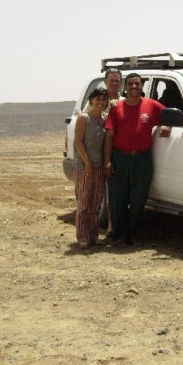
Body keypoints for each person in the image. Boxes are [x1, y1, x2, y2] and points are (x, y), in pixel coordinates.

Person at [103, 73, 171, 247]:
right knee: (118, 199)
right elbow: (109, 136)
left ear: (142, 86)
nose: (134, 87)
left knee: (138, 198)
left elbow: (169, 116)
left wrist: (166, 125)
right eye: (131, 84)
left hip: (142, 159)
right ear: (125, 87)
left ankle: (132, 235)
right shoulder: (117, 108)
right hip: (120, 158)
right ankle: (119, 236)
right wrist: (107, 161)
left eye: (137, 84)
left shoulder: (151, 105)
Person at [73, 88, 109, 249]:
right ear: (91, 100)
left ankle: (93, 235)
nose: (100, 102)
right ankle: (82, 236)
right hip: (84, 166)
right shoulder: (84, 118)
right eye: (98, 99)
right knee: (84, 203)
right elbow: (78, 142)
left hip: (99, 166)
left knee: (96, 203)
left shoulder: (105, 119)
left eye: (103, 99)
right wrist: (86, 162)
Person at [102, 68, 122, 238]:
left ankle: (114, 223)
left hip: (118, 150)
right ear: (105, 81)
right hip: (98, 149)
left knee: (114, 189)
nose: (114, 83)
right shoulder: (99, 99)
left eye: (117, 80)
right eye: (111, 80)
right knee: (102, 189)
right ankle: (108, 224)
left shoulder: (125, 100)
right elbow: (89, 118)